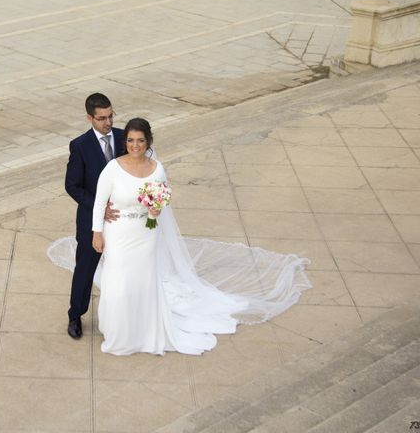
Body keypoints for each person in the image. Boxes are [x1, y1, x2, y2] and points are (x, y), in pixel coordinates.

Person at [50, 117, 311, 355]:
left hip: (145, 235)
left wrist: (155, 209)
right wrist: (97, 233)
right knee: (118, 281)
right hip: (117, 234)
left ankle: (144, 331)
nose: (134, 145)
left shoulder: (157, 169)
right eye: (130, 140)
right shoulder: (113, 168)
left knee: (143, 281)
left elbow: (160, 202)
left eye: (140, 140)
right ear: (125, 142)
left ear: (148, 142)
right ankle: (118, 331)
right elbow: (98, 203)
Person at [64, 93, 124, 340]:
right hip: (91, 221)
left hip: (123, 219)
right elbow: (72, 185)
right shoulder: (80, 146)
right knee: (85, 269)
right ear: (90, 117)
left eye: (110, 116)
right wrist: (100, 209)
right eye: (101, 118)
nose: (108, 122)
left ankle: (123, 314)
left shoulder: (124, 138)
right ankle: (75, 315)